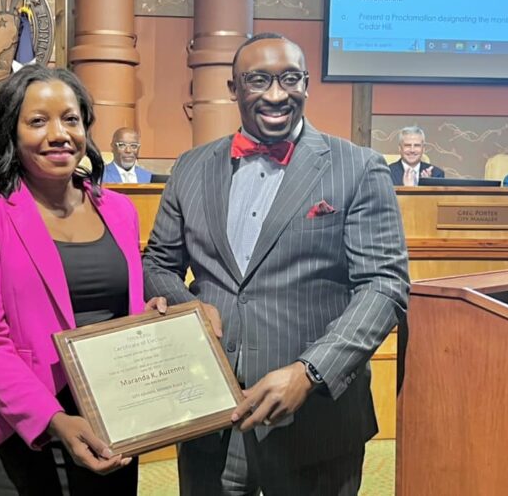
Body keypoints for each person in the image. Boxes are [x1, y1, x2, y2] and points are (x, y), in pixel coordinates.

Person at [142, 33, 410, 496]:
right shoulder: (189, 167)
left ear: (306, 84)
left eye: (290, 78)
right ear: (232, 89)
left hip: (316, 426)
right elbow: (158, 264)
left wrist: (310, 371)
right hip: (210, 422)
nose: (276, 94)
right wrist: (190, 307)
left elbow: (384, 285)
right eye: (259, 80)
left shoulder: (358, 167)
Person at [0, 65, 166, 495]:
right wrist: (54, 420)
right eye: (38, 121)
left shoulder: (119, 211)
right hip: (18, 434)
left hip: (109, 432)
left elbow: (120, 310)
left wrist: (147, 320)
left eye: (71, 119)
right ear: (12, 131)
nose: (59, 134)